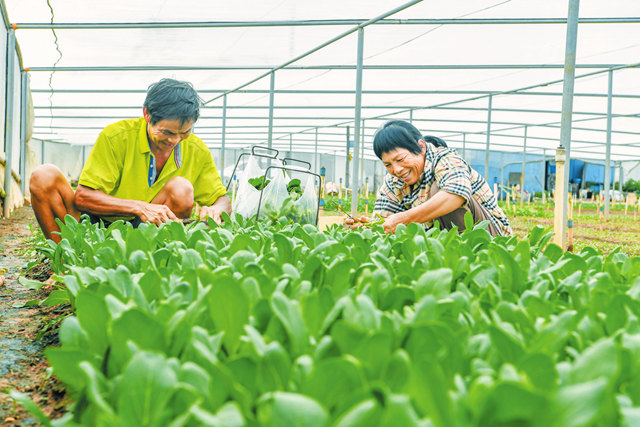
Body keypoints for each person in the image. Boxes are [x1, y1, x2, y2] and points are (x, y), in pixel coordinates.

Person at [30, 78, 231, 243]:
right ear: (147, 115)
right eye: (167, 132)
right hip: (95, 223)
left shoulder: (197, 149)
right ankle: (65, 260)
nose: (175, 140)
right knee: (43, 176)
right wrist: (139, 206)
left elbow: (222, 199)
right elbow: (83, 197)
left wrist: (216, 209)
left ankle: (153, 256)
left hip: (145, 230)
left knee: (182, 189)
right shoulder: (117, 137)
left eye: (184, 132)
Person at [347, 120, 512, 236]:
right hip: (440, 243)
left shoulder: (445, 158)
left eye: (400, 159)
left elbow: (455, 194)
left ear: (421, 147)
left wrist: (405, 219)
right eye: (388, 165)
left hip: (491, 237)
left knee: (439, 190)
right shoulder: (393, 182)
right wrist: (365, 226)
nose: (396, 169)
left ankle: (471, 251)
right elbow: (385, 222)